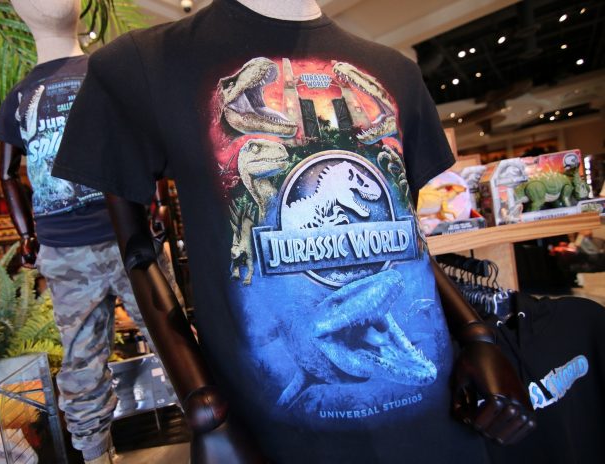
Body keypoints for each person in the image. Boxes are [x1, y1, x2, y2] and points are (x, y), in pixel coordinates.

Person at [53, 0, 535, 462]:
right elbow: (138, 252)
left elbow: (408, 240)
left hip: (437, 417)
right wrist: (205, 411)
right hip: (273, 435)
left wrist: (477, 337)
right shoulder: (141, 64)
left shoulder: (397, 72)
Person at [0, 1, 168, 463]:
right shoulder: (21, 96)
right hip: (76, 248)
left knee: (173, 340)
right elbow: (7, 174)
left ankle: (216, 437)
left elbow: (147, 138)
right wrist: (27, 235)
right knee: (86, 360)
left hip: (126, 236)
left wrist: (157, 202)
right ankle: (94, 453)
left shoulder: (107, 73)